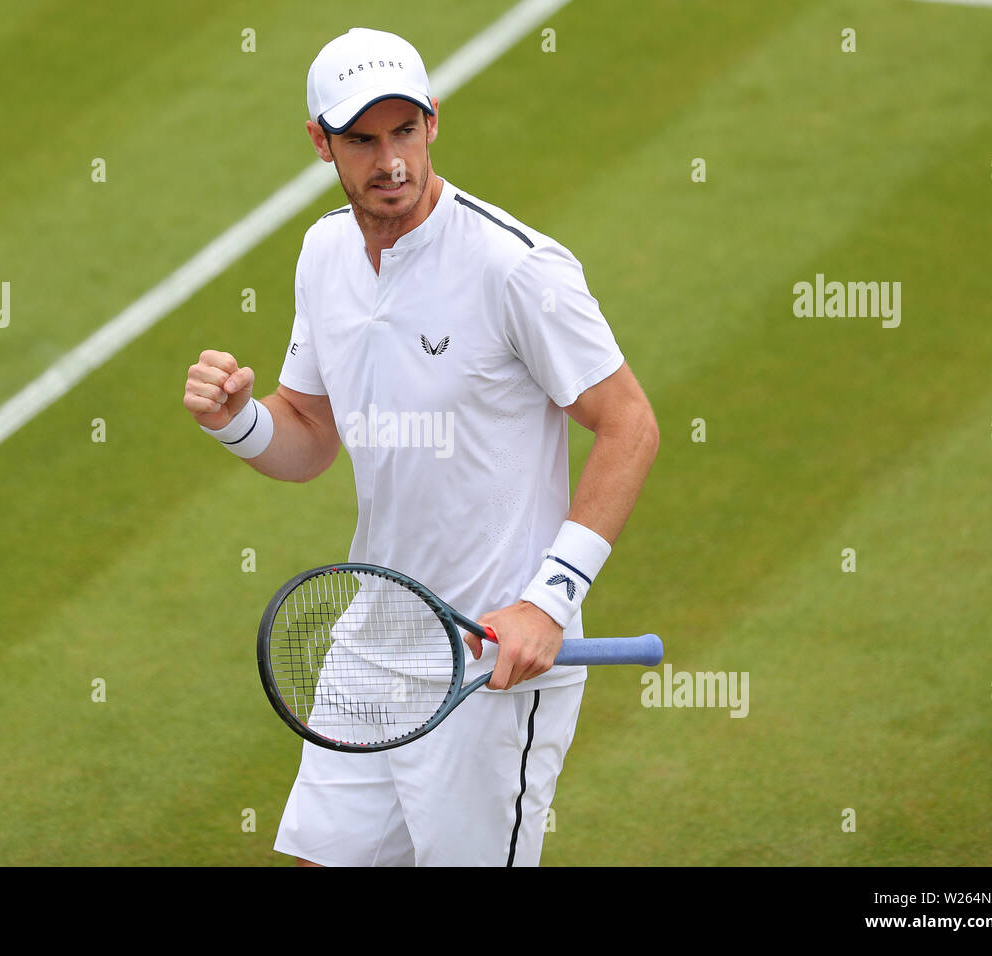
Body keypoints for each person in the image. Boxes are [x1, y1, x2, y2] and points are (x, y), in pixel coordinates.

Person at [184, 27, 658, 866]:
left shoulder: (514, 268)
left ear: (433, 122)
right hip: (373, 643)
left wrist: (548, 601)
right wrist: (238, 422)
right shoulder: (324, 252)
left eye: (405, 131)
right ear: (320, 143)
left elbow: (630, 423)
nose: (390, 160)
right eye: (363, 140)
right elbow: (311, 435)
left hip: (490, 668)